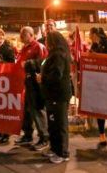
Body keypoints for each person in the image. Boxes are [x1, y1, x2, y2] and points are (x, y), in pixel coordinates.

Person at [39, 31, 72, 164]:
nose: (45, 42)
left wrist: (42, 78)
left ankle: (62, 153)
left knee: (59, 124)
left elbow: (56, 74)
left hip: (59, 94)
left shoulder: (59, 54)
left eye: (47, 40)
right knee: (53, 124)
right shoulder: (54, 53)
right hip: (52, 94)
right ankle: (54, 148)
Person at [15, 26, 49, 151]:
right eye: (21, 35)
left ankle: (44, 137)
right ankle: (28, 134)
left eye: (24, 34)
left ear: (31, 34)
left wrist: (31, 64)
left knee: (37, 109)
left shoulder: (38, 46)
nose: (22, 37)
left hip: (35, 83)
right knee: (27, 109)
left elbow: (45, 62)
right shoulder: (24, 48)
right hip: (25, 82)